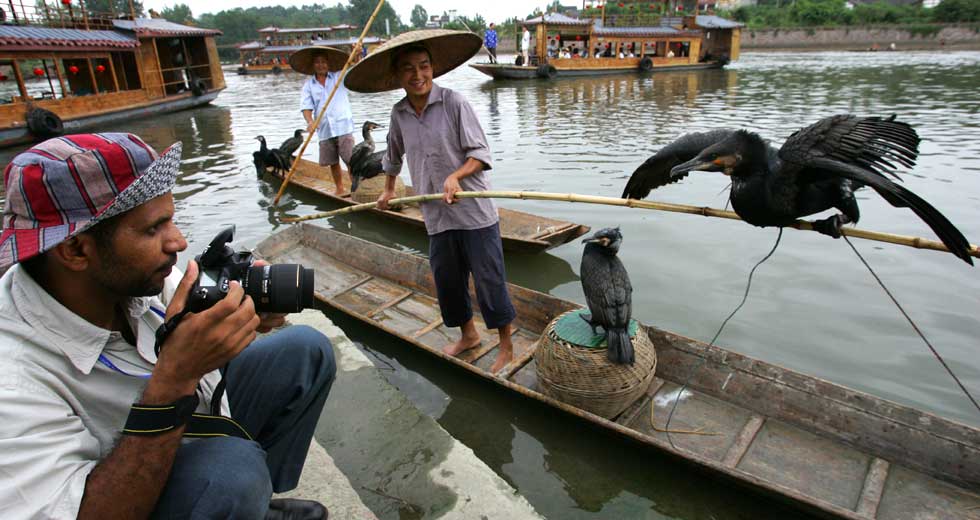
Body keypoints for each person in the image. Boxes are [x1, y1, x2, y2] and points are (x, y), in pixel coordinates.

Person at [0, 133, 336, 519]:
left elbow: (194, 315)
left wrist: (239, 317)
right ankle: (232, 495)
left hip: (179, 433)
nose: (177, 241)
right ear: (75, 250)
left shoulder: (128, 277)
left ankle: (253, 506)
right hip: (116, 494)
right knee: (229, 473)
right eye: (152, 229)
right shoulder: (11, 376)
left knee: (303, 352)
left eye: (171, 220)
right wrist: (174, 380)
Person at [344, 30, 518, 374]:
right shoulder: (399, 114)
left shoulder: (454, 102)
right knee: (447, 281)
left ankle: (507, 346)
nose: (418, 74)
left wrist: (455, 176)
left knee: (489, 281)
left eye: (424, 66)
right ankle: (469, 336)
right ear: (397, 76)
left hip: (474, 213)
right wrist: (389, 190)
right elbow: (392, 157)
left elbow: (480, 155)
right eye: (409, 68)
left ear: (433, 69)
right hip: (436, 216)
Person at [292, 46, 355, 196]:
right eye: (317, 62)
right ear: (313, 65)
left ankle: (355, 187)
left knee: (350, 159)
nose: (321, 65)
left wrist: (356, 53)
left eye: (323, 62)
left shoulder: (339, 77)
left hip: (343, 125)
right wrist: (310, 122)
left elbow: (352, 66)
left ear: (328, 64)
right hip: (325, 129)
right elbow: (306, 107)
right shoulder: (309, 85)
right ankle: (339, 188)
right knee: (333, 162)